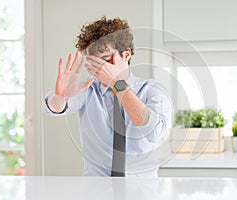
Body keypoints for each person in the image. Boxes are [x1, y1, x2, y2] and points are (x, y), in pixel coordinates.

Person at [44, 16, 172, 177]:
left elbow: (154, 132)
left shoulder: (152, 90)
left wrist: (117, 84)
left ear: (126, 55)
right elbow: (55, 107)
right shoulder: (88, 89)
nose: (100, 71)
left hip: (141, 190)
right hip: (96, 189)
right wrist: (60, 96)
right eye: (94, 64)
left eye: (105, 61)